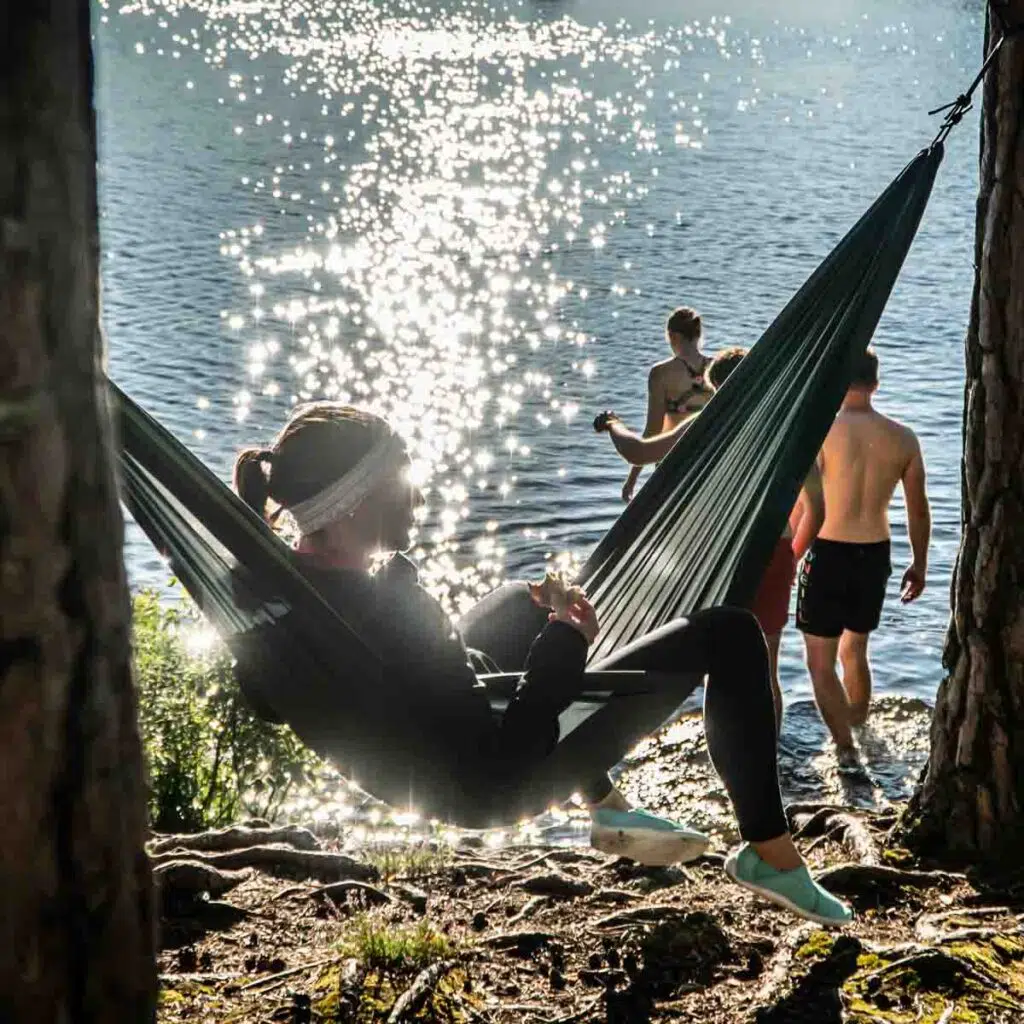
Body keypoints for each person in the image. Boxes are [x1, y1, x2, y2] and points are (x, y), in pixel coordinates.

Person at [234, 401, 851, 925]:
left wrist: (525, 632)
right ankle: (770, 857)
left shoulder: (284, 589)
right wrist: (565, 639)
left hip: (415, 752)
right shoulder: (395, 606)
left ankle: (606, 806)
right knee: (733, 634)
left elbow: (267, 703)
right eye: (402, 481)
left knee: (511, 602)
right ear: (353, 503)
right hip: (487, 788)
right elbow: (507, 755)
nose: (419, 496)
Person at [594, 347, 824, 731]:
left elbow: (640, 451)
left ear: (717, 388)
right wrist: (791, 557)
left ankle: (726, 753)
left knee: (716, 663)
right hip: (775, 551)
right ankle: (769, 754)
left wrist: (613, 423)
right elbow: (817, 509)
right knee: (766, 666)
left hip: (721, 555)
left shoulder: (709, 423)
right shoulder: (792, 427)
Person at [795, 348, 930, 761]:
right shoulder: (903, 437)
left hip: (828, 551)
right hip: (875, 554)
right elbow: (918, 508)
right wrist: (920, 564)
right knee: (855, 651)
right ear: (875, 383)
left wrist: (790, 555)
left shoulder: (820, 432)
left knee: (820, 664)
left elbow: (804, 506)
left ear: (840, 383)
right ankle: (858, 725)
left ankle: (846, 749)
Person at [620, 306, 714, 503]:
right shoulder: (717, 368)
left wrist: (631, 481)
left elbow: (653, 430)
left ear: (672, 336)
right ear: (698, 335)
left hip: (673, 463)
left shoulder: (660, 373)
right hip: (710, 461)